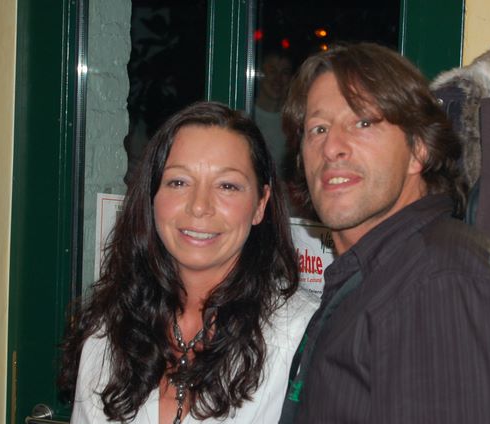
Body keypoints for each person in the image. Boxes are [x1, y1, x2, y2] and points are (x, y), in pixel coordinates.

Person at [278, 43, 490, 423]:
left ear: (419, 149)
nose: (332, 147)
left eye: (363, 122)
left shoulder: (440, 286)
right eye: (318, 129)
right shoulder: (385, 276)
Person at [59, 101, 318, 423]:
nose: (199, 206)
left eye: (227, 186)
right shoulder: (109, 331)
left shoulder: (303, 335)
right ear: (152, 195)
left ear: (260, 205)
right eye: (179, 182)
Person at [254, 49, 294, 180]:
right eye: (272, 71)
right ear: (260, 75)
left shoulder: (294, 121)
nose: (278, 78)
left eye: (285, 72)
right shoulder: (246, 116)